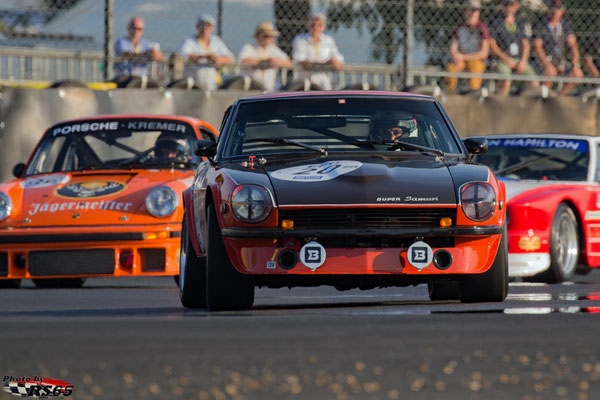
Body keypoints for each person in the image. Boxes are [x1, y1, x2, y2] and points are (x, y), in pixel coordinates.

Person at [531, 0, 583, 95]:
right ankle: (544, 100)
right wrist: (547, 64)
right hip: (542, 60)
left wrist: (575, 65)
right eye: (553, 8)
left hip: (559, 60)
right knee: (550, 73)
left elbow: (573, 45)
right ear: (548, 9)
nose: (555, 12)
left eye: (558, 9)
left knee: (577, 74)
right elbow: (537, 47)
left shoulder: (565, 23)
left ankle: (560, 98)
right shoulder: (540, 23)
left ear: (562, 10)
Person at [489, 0, 537, 95]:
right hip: (502, 59)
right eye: (505, 4)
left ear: (516, 6)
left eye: (511, 4)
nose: (508, 7)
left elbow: (525, 44)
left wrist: (523, 61)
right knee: (506, 82)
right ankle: (501, 105)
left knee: (534, 82)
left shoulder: (520, 22)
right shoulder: (495, 21)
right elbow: (492, 45)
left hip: (519, 59)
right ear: (501, 5)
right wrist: (506, 59)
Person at [179, 14, 234, 91]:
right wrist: (204, 57)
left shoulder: (216, 41)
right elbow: (183, 56)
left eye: (208, 26)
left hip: (213, 84)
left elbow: (230, 58)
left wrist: (219, 59)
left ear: (212, 28)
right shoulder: (189, 40)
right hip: (194, 85)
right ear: (197, 27)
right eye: (202, 25)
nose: (205, 29)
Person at [291, 13, 345, 90]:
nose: (315, 27)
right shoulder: (300, 39)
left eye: (319, 25)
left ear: (323, 27)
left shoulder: (328, 40)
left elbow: (339, 60)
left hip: (323, 82)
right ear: (308, 25)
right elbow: (299, 60)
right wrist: (325, 64)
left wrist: (336, 62)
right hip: (304, 82)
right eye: (313, 25)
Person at [446, 0, 490, 93]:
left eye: (476, 10)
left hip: (476, 59)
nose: (473, 13)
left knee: (474, 71)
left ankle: (473, 98)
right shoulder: (459, 27)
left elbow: (484, 53)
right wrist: (457, 57)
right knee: (451, 69)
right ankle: (451, 94)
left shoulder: (482, 28)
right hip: (461, 59)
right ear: (465, 11)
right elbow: (453, 47)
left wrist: (464, 57)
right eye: (470, 10)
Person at [238, 22, 291, 92]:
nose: (272, 39)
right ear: (260, 37)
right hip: (251, 88)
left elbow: (288, 62)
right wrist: (262, 62)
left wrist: (276, 62)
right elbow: (244, 60)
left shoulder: (273, 49)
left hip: (270, 88)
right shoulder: (249, 47)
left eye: (272, 36)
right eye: (268, 36)